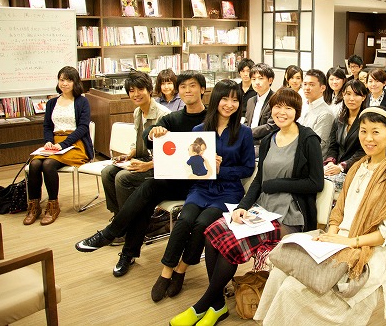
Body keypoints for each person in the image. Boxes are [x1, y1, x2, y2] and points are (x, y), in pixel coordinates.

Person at [169, 88, 323, 326]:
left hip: (291, 215)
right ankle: (218, 305)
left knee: (231, 244)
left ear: (297, 111)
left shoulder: (308, 139)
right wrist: (241, 207)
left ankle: (203, 304)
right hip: (264, 210)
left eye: (288, 108)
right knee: (213, 233)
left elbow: (316, 182)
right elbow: (259, 181)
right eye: (278, 107)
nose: (282, 112)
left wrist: (275, 185)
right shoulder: (270, 139)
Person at [254, 107, 386, 325]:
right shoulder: (358, 167)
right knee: (280, 270)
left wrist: (347, 242)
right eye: (363, 131)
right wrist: (330, 237)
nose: (368, 138)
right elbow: (338, 212)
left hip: (367, 250)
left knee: (293, 289)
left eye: (376, 132)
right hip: (339, 240)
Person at [75, 71, 208, 277]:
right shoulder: (173, 118)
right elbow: (148, 135)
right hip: (177, 179)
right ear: (178, 90)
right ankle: (126, 251)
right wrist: (153, 132)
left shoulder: (211, 118)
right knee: (147, 192)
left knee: (142, 188)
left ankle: (113, 235)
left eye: (192, 86)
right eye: (183, 87)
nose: (187, 90)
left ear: (202, 89)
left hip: (201, 183)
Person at [151, 79, 255, 302]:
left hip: (228, 191)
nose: (229, 104)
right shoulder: (199, 130)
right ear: (216, 99)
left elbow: (248, 168)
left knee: (202, 223)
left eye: (235, 100)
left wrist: (221, 169)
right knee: (185, 219)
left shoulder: (244, 132)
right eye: (225, 99)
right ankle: (166, 272)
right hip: (201, 187)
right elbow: (186, 162)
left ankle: (181, 269)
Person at [24, 66, 93, 226]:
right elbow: (47, 126)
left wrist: (63, 144)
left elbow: (83, 127)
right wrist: (49, 141)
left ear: (75, 82)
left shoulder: (82, 101)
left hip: (75, 143)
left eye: (69, 80)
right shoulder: (51, 102)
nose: (64, 83)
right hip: (54, 143)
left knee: (48, 164)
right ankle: (34, 206)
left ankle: (53, 206)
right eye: (62, 79)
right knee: (34, 164)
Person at [101, 72, 170, 222]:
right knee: (107, 172)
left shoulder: (163, 115)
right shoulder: (138, 111)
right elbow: (138, 139)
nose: (136, 94)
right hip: (144, 158)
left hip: (160, 164)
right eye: (131, 91)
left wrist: (148, 165)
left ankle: (130, 223)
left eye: (140, 89)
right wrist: (130, 154)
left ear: (149, 90)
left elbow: (171, 154)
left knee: (122, 178)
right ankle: (119, 217)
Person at [324, 79, 368, 175]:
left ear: (363, 97)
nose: (351, 98)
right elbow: (333, 145)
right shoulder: (339, 119)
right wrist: (331, 162)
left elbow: (363, 151)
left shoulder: (367, 121)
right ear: (343, 95)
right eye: (348, 94)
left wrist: (342, 166)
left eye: (356, 95)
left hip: (356, 170)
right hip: (336, 169)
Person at [298, 69, 335, 157]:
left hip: (311, 160)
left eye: (311, 85)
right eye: (305, 84)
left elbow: (317, 145)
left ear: (323, 88)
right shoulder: (304, 106)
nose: (306, 88)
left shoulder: (325, 113)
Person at [244, 63, 277, 145]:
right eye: (253, 79)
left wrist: (248, 132)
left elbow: (271, 126)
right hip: (248, 141)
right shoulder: (251, 101)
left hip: (265, 143)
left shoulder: (276, 100)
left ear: (270, 80)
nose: (257, 82)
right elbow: (247, 122)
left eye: (261, 78)